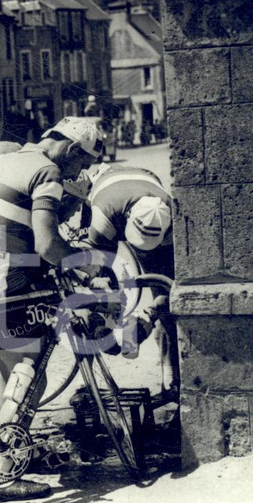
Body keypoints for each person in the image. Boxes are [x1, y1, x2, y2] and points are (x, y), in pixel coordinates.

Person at [0, 116, 104, 502]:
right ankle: (2, 475)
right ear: (71, 149)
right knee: (29, 372)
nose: (79, 172)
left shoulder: (7, 160)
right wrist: (85, 263)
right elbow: (47, 244)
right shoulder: (47, 171)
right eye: (83, 162)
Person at [85, 163, 175, 395]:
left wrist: (153, 311)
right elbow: (97, 271)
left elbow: (169, 285)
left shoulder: (172, 216)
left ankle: (170, 375)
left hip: (146, 180)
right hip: (106, 192)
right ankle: (89, 383)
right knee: (100, 293)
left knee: (167, 290)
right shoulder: (103, 216)